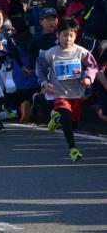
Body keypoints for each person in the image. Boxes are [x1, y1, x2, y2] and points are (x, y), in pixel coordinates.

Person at [36, 18, 97, 161]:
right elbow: (40, 68)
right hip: (59, 93)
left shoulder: (81, 52)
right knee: (67, 118)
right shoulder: (51, 53)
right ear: (58, 35)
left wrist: (88, 77)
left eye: (71, 35)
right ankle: (73, 149)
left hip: (76, 93)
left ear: (76, 36)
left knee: (74, 123)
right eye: (64, 35)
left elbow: (92, 66)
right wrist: (44, 83)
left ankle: (55, 117)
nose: (68, 38)